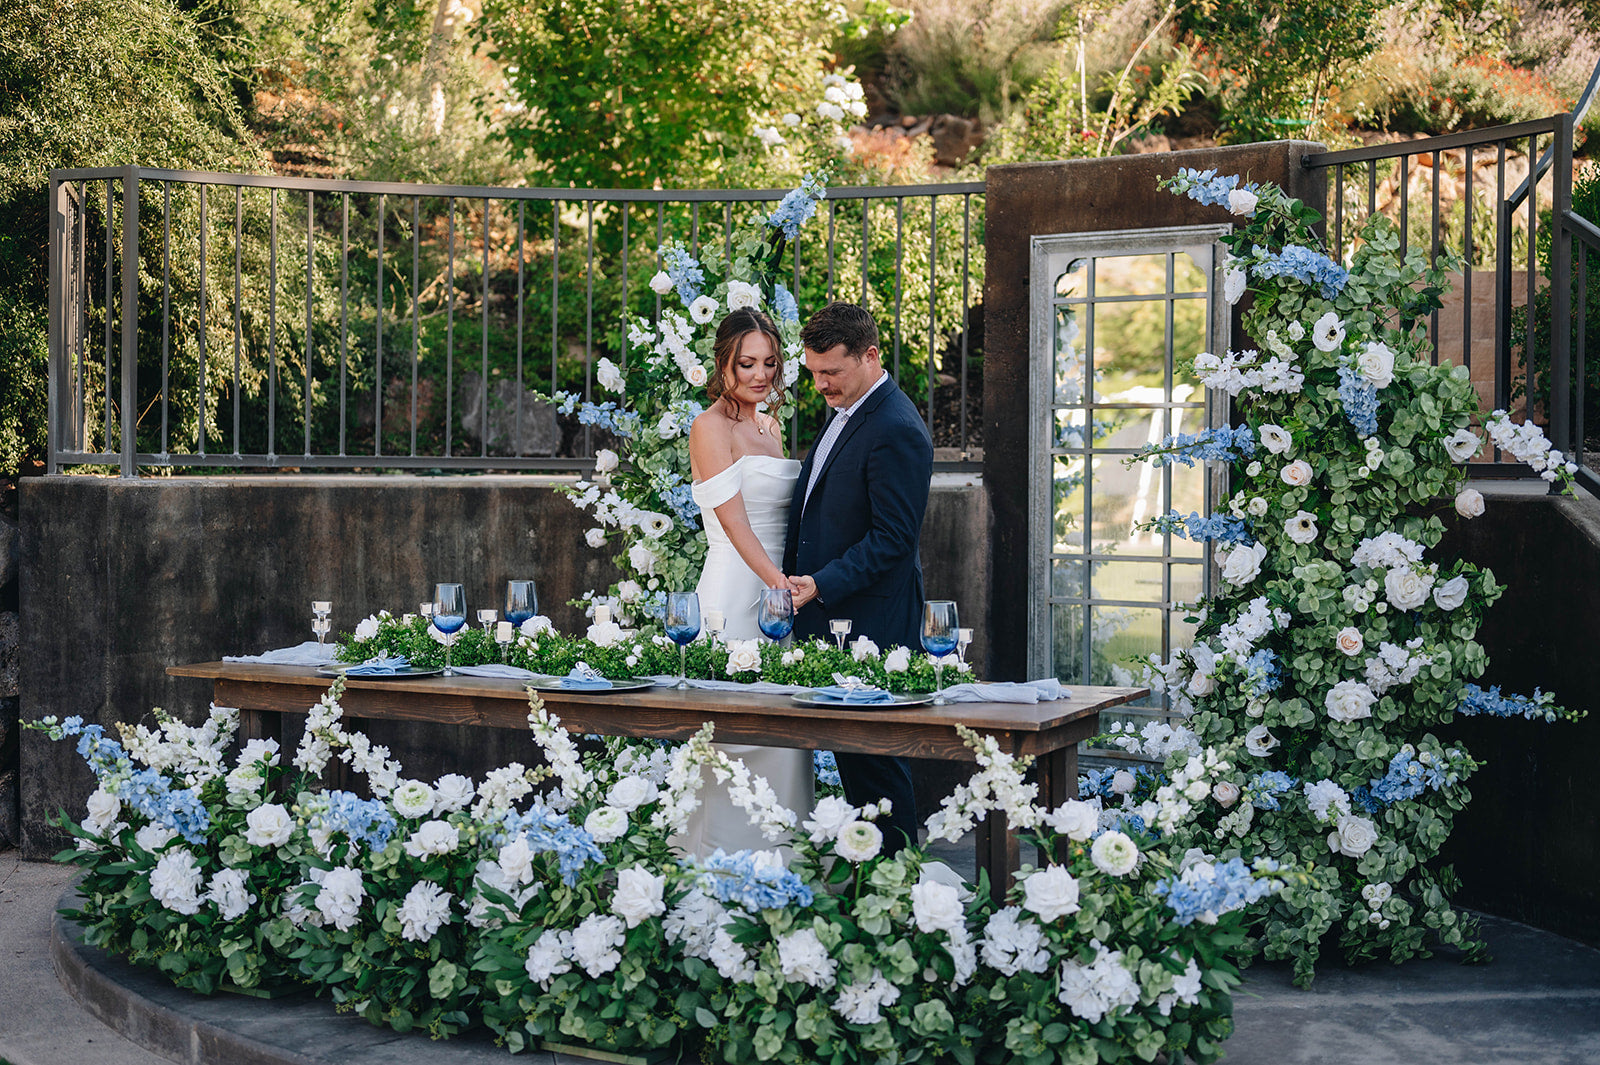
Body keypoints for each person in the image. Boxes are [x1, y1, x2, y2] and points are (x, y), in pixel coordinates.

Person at [784, 301, 933, 856]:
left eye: (832, 372)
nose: (820, 384)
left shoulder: (896, 428)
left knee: (876, 765)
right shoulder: (847, 407)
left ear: (870, 356)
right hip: (831, 615)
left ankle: (899, 889)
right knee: (854, 764)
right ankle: (870, 885)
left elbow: (895, 539)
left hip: (871, 621)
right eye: (814, 372)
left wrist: (820, 583)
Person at [678, 307, 813, 855]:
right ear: (724, 365)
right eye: (747, 364)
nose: (761, 375)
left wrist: (791, 589)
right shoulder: (708, 427)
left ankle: (783, 862)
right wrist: (779, 588)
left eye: (770, 363)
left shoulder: (769, 424)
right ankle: (718, 865)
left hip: (779, 592)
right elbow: (734, 525)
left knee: (784, 735)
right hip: (737, 594)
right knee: (731, 737)